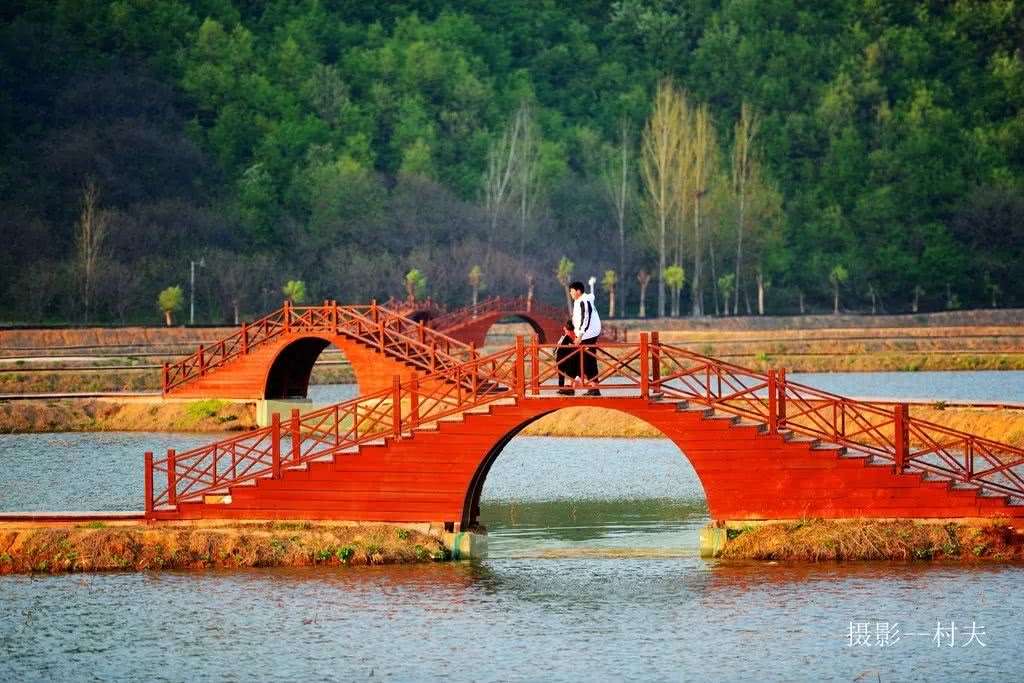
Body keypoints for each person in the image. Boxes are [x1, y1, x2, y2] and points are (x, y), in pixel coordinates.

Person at [569, 280, 602, 396]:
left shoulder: (584, 300)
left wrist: (581, 334)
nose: (570, 293)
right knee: (579, 358)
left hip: (589, 334)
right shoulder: (578, 301)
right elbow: (577, 319)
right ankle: (574, 385)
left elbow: (586, 318)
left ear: (578, 291)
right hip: (584, 335)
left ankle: (592, 387)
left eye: (572, 291)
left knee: (587, 360)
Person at [555, 318, 578, 396]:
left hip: (562, 358)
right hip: (568, 357)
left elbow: (558, 347)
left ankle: (562, 389)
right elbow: (575, 345)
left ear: (565, 328)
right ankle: (569, 389)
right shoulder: (573, 335)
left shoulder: (565, 336)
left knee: (562, 374)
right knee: (570, 374)